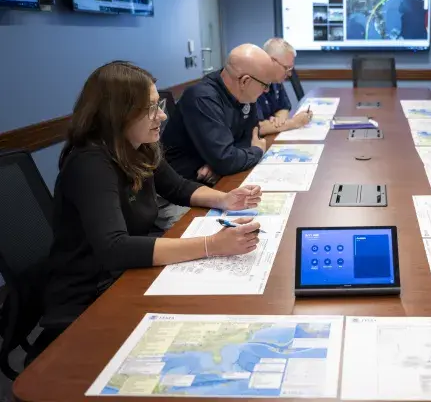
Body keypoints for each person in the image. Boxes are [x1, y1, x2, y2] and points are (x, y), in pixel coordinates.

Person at [32, 61, 264, 361]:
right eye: (151, 108)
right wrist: (211, 246)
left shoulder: (138, 145)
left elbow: (178, 187)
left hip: (128, 273)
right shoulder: (91, 164)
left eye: (160, 105)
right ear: (118, 113)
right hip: (91, 294)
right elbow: (115, 248)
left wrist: (225, 199)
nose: (163, 115)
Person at [162, 43, 274, 186]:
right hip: (183, 187)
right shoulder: (202, 97)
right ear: (245, 81)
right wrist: (257, 151)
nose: (266, 90)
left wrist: (219, 164)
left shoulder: (245, 94)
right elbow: (227, 159)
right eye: (265, 85)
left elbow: (250, 138)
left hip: (218, 177)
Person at [257, 38, 313, 136]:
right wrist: (293, 123)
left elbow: (283, 107)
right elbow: (256, 127)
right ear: (271, 61)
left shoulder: (275, 80)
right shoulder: (252, 83)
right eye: (286, 68)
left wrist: (279, 120)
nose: (290, 74)